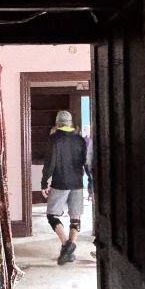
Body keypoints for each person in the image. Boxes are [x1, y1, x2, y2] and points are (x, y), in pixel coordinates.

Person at [41, 110, 93, 265]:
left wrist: (44, 182)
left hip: (60, 183)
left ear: (57, 123)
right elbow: (86, 162)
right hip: (77, 183)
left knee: (52, 215)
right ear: (70, 122)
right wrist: (90, 180)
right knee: (75, 217)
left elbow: (50, 163)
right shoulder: (80, 139)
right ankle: (70, 249)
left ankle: (66, 245)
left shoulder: (54, 139)